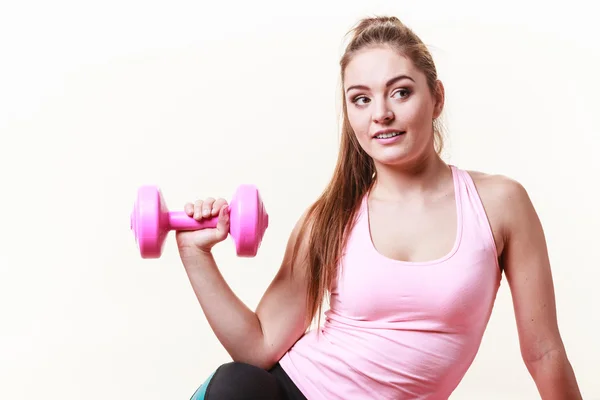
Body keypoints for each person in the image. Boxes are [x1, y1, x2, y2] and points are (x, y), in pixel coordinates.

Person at [176, 16, 582, 400]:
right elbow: (259, 346)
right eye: (361, 99)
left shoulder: (500, 203)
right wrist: (195, 254)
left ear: (436, 97)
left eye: (401, 92)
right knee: (236, 385)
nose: (381, 113)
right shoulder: (331, 218)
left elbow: (544, 352)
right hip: (291, 391)